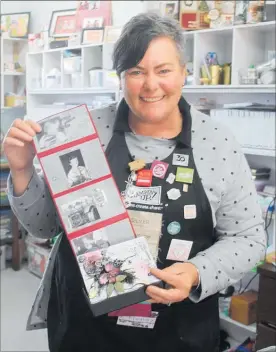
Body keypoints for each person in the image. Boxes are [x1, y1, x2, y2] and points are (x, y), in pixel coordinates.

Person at [4, 13, 266, 352]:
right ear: (121, 77)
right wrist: (23, 170)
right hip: (85, 326)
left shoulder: (217, 142)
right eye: (136, 72)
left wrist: (198, 271)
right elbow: (44, 226)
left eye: (163, 70)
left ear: (184, 73)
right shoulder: (83, 132)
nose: (151, 85)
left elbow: (248, 238)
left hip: (178, 330)